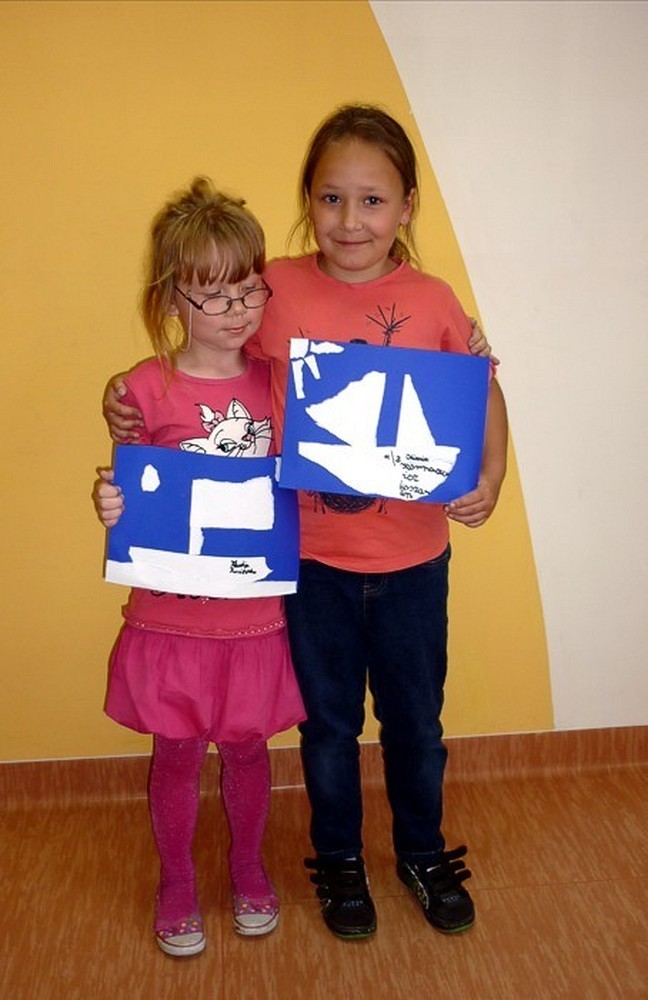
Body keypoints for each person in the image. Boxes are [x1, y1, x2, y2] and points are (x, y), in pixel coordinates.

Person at [103, 105, 508, 942]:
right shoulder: (274, 287)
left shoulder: (433, 300)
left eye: (372, 200)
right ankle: (339, 860)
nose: (350, 220)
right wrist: (128, 398)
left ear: (407, 207)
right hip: (310, 563)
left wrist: (490, 475)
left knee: (416, 723)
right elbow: (211, 370)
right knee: (327, 727)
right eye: (331, 198)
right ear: (308, 201)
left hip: (412, 558)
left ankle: (422, 853)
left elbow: (481, 389)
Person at [92, 177, 305, 957]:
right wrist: (111, 504)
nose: (238, 309)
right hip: (172, 619)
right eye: (214, 295)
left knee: (249, 752)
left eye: (249, 289)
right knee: (176, 756)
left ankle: (247, 866)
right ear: (172, 299)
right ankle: (176, 880)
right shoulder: (144, 390)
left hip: (255, 619)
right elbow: (133, 491)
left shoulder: (281, 383)